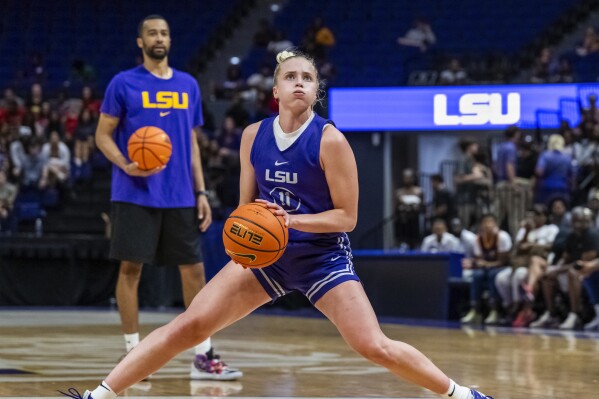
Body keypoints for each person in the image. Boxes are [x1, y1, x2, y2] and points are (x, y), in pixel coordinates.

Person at [61, 50, 494, 399]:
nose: (300, 82)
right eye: (292, 76)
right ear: (276, 89)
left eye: (308, 77)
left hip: (322, 257)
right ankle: (99, 395)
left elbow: (347, 217)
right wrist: (241, 234)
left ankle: (459, 394)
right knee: (190, 324)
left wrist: (291, 221)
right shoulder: (253, 135)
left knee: (372, 345)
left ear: (316, 91)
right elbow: (245, 206)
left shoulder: (331, 140)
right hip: (267, 256)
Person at [93, 15, 241, 380]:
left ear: (169, 41)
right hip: (134, 192)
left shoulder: (188, 85)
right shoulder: (122, 83)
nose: (159, 38)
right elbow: (102, 135)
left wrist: (201, 191)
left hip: (179, 195)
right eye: (151, 33)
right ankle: (132, 357)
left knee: (194, 271)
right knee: (130, 270)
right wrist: (125, 165)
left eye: (164, 33)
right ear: (140, 42)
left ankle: (203, 357)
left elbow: (191, 144)